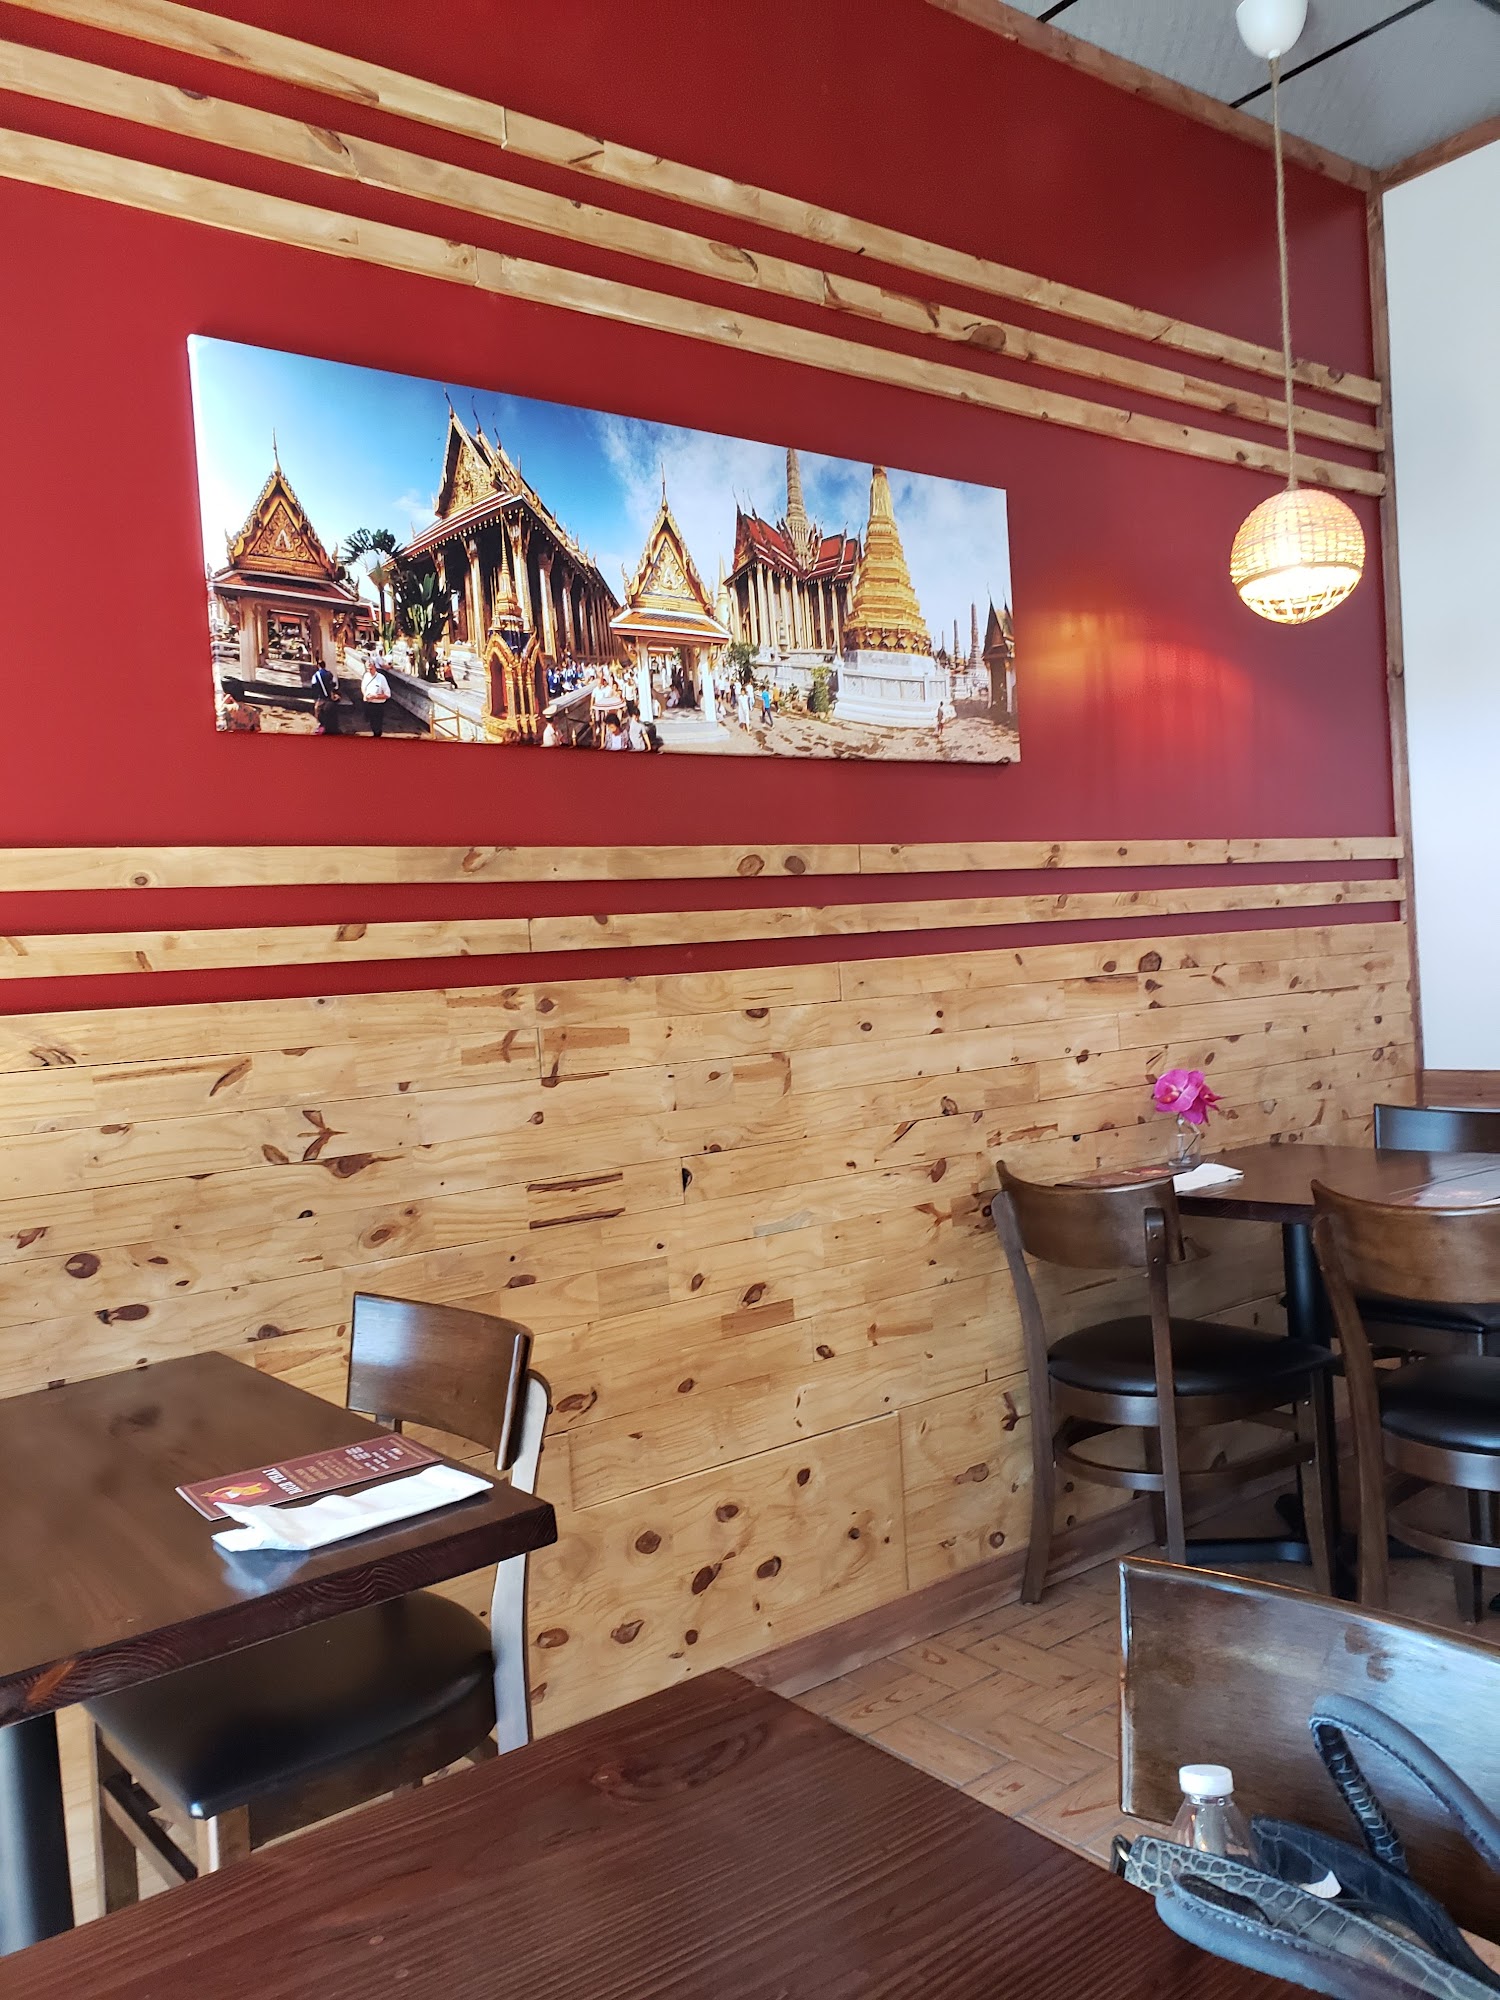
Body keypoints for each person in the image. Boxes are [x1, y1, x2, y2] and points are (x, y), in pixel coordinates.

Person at [360, 658, 392, 737]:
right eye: (367, 669)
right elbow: (363, 687)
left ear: (374, 667)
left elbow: (388, 694)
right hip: (368, 703)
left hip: (378, 705)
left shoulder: (381, 678)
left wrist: (375, 696)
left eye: (371, 669)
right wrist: (365, 695)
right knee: (371, 722)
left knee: (377, 724)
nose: (369, 671)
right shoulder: (366, 676)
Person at [309, 661, 342, 735]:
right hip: (330, 697)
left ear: (318, 666)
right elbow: (335, 685)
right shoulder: (330, 674)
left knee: (318, 710)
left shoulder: (316, 675)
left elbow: (314, 686)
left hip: (321, 697)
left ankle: (321, 726)